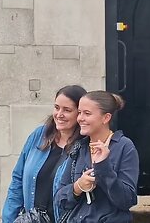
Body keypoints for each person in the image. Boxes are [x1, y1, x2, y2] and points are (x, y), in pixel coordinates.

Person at [2, 85, 87, 223]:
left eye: (67, 110)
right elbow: (18, 179)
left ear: (80, 113)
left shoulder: (85, 146)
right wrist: (9, 218)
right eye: (57, 107)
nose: (59, 114)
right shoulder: (39, 135)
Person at [55, 91, 139, 223]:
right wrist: (78, 187)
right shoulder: (79, 148)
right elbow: (60, 200)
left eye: (87, 113)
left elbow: (126, 200)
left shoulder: (124, 147)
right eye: (79, 112)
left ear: (106, 118)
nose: (80, 118)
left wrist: (103, 167)